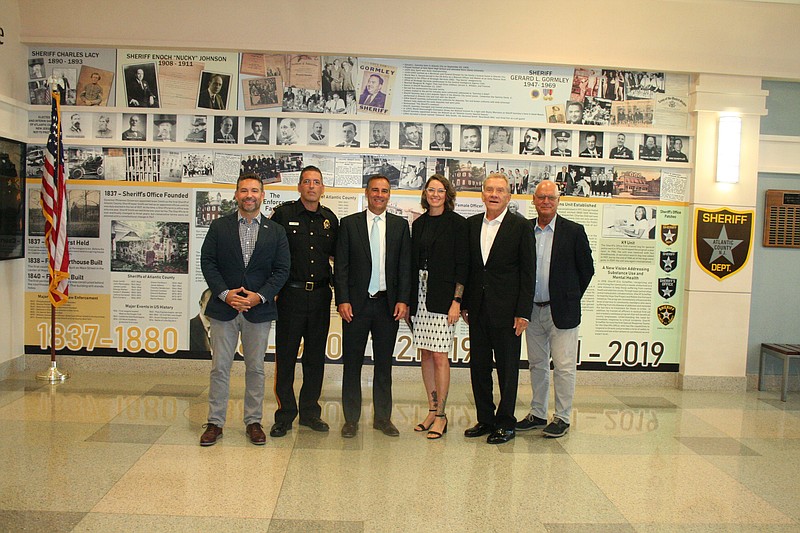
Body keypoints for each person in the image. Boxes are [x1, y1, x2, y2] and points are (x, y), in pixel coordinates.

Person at [199, 173, 291, 446]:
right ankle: (215, 422)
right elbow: (208, 263)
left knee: (256, 368)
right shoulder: (219, 227)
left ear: (263, 195)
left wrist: (259, 297)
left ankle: (253, 421)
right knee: (220, 368)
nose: (249, 195)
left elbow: (282, 269)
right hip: (224, 309)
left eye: (254, 190)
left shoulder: (275, 231)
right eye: (244, 190)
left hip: (258, 311)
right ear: (236, 195)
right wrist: (226, 294)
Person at [334, 175, 411, 438]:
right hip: (355, 306)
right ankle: (351, 419)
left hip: (387, 305)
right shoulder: (349, 224)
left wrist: (403, 299)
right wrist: (342, 299)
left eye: (384, 191)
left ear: (390, 195)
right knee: (352, 364)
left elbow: (404, 267)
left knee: (384, 365)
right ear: (367, 193)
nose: (379, 194)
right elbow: (341, 266)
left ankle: (383, 418)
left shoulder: (400, 226)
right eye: (375, 190)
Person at [461, 173, 535, 444]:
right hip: (478, 311)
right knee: (479, 368)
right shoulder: (470, 225)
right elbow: (469, 268)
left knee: (507, 369)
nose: (494, 194)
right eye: (489, 190)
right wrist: (466, 303)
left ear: (508, 196)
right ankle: (485, 418)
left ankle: (506, 422)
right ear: (482, 195)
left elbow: (529, 272)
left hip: (508, 313)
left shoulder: (521, 226)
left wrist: (523, 312)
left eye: (500, 190)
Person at [517, 180, 594, 438]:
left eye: (551, 197)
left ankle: (562, 417)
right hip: (532, 312)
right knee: (537, 364)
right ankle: (538, 412)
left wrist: (569, 297)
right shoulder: (524, 230)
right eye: (541, 197)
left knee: (563, 366)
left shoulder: (573, 231)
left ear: (558, 200)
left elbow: (587, 270)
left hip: (562, 311)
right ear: (534, 200)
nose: (546, 202)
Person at [270, 166, 339, 437]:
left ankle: (310, 412)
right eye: (307, 182)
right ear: (299, 186)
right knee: (285, 357)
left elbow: (340, 259)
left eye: (317, 182)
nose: (312, 186)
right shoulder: (283, 215)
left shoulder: (329, 219)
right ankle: (285, 415)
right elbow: (269, 253)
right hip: (290, 296)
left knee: (315, 358)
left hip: (321, 296)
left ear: (323, 188)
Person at [409, 175, 467, 440]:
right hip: (421, 297)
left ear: (447, 194)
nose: (434, 194)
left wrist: (457, 301)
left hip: (444, 299)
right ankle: (431, 409)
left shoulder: (457, 224)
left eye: (440, 190)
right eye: (430, 190)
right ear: (425, 193)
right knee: (425, 354)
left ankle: (442, 416)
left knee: (441, 355)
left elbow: (462, 267)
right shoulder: (418, 224)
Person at [189, 288, 213, 353]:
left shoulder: (228, 327)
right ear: (201, 304)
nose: (215, 308)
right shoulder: (187, 327)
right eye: (211, 303)